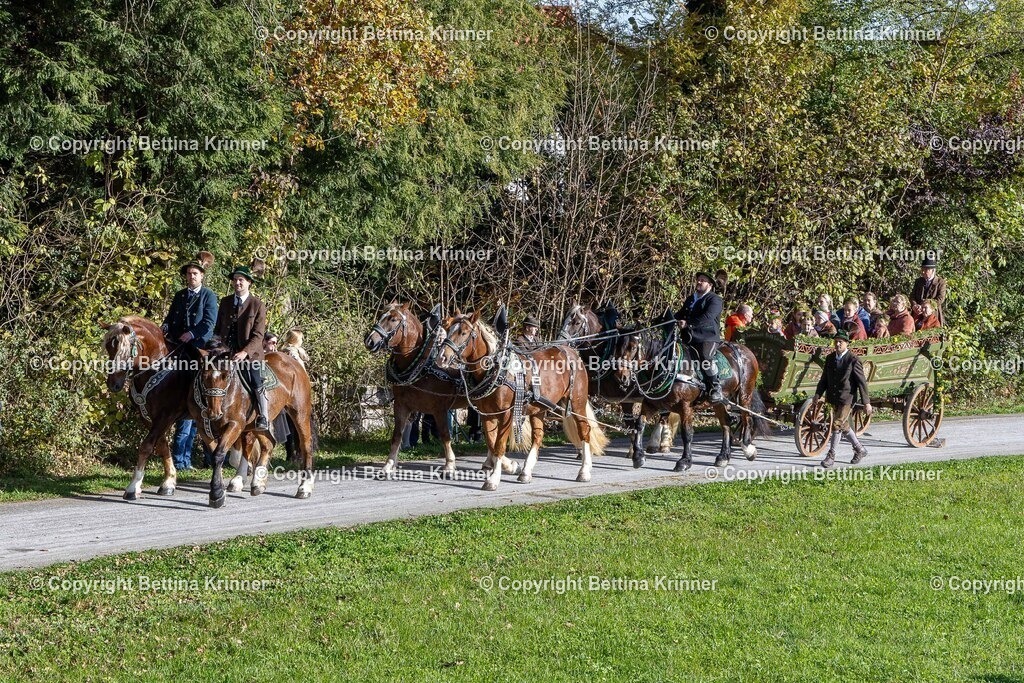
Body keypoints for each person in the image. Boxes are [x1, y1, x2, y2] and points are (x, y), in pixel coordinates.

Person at [161, 251, 218, 471]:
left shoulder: (208, 296)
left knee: (199, 395)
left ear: (202, 276)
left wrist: (192, 335)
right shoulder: (179, 296)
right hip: (177, 345)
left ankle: (193, 457)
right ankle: (180, 459)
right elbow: (170, 317)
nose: (191, 276)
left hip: (197, 347)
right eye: (188, 273)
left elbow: (208, 323)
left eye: (195, 273)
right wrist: (164, 327)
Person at [213, 264, 270, 432]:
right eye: (235, 280)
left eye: (241, 280)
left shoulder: (257, 304)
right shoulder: (225, 302)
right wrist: (215, 348)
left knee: (255, 379)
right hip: (225, 352)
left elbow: (258, 335)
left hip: (250, 355)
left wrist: (245, 352)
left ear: (249, 283)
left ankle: (263, 416)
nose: (238, 283)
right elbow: (218, 330)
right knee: (207, 374)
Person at [813, 330, 872, 468]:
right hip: (833, 397)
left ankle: (831, 455)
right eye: (836, 341)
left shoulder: (853, 360)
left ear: (847, 343)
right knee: (844, 425)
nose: (838, 344)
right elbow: (824, 379)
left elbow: (861, 382)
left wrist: (866, 402)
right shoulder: (830, 358)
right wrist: (818, 394)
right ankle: (860, 449)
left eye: (841, 341)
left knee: (837, 424)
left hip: (847, 398)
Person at [675, 271, 726, 404]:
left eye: (702, 280)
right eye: (698, 279)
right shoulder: (691, 299)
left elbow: (707, 317)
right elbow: (680, 314)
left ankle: (715, 386)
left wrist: (688, 323)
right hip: (688, 337)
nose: (698, 282)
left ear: (709, 285)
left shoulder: (715, 300)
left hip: (707, 337)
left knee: (705, 356)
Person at [911, 255, 946, 325]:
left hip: (932, 315)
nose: (923, 272)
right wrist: (914, 305)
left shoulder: (940, 282)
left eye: (926, 269)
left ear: (933, 270)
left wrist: (928, 307)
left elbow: (941, 298)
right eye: (922, 269)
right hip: (918, 315)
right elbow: (912, 296)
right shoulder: (918, 281)